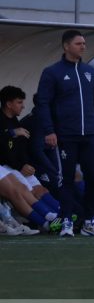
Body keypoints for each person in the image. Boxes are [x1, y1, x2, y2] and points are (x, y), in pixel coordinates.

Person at [36, 29, 94, 237]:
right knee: (66, 179)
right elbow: (43, 103)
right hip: (66, 135)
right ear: (66, 46)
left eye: (84, 43)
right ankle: (67, 221)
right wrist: (49, 130)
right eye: (79, 44)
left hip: (89, 136)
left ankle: (90, 220)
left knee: (93, 178)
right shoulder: (52, 73)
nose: (83, 47)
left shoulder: (90, 72)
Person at [0, 86, 63, 233]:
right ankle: (48, 221)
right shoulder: (10, 124)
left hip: (14, 166)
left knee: (39, 188)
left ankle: (61, 214)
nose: (23, 106)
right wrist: (12, 133)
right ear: (8, 104)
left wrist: (24, 164)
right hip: (7, 165)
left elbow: (20, 149)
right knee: (19, 190)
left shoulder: (15, 121)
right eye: (19, 102)